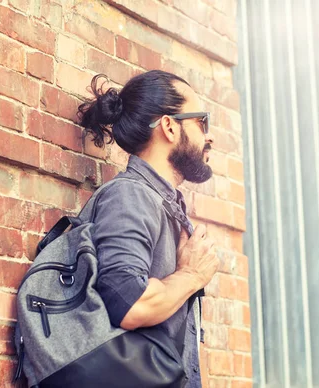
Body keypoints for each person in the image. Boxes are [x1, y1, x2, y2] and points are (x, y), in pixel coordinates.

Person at [78, 70, 220, 387]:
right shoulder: (131, 195)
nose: (209, 137)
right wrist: (192, 276)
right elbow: (128, 303)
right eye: (202, 122)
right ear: (169, 126)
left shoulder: (160, 203)